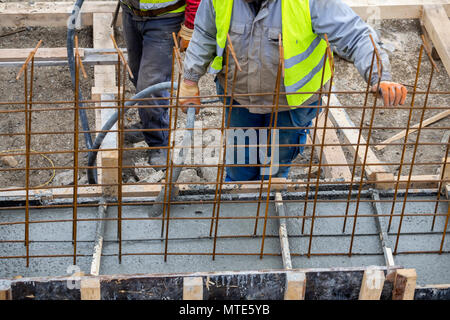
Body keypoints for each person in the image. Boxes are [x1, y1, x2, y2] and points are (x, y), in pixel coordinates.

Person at [179, 0, 408, 181]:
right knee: (241, 167)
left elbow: (356, 34)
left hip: (292, 104)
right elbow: (205, 34)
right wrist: (189, 79)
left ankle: (271, 207)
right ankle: (241, 211)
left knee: (274, 170)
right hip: (240, 98)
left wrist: (379, 76)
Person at [120, 0, 186, 168]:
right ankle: (148, 121)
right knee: (136, 75)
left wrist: (191, 23)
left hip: (166, 17)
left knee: (151, 86)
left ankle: (159, 143)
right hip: (130, 11)